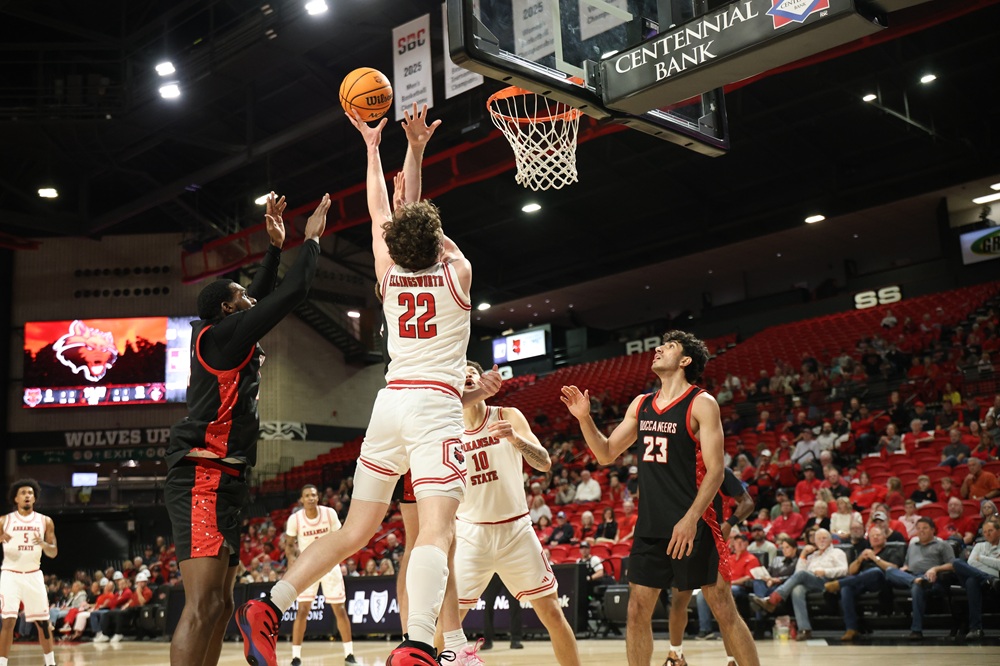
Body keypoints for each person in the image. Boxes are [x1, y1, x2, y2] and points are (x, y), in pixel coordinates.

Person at [237, 105, 479, 666]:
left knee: (354, 531)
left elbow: (385, 210)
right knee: (437, 533)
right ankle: (418, 646)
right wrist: (415, 152)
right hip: (435, 408)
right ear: (440, 241)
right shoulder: (458, 271)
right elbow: (415, 218)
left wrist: (374, 148)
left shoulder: (387, 271)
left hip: (389, 405)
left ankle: (268, 606)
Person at [165, 190, 327, 666]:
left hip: (227, 478)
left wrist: (275, 248)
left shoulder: (228, 330)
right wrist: (310, 241)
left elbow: (261, 289)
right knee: (199, 607)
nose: (251, 297)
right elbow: (291, 292)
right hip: (201, 475)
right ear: (230, 311)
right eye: (242, 297)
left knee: (219, 605)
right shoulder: (220, 338)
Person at [561, 331, 759, 666]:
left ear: (685, 361)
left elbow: (715, 471)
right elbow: (606, 453)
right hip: (651, 525)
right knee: (637, 610)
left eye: (668, 347)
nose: (658, 349)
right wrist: (585, 419)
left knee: (723, 608)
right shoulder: (641, 404)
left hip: (694, 523)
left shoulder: (702, 403)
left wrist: (691, 518)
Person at [451, 361, 580, 665]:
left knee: (551, 612)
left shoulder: (507, 415)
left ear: (484, 382)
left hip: (515, 531)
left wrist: (515, 439)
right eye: (461, 375)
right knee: (448, 620)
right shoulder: (448, 429)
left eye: (473, 373)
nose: (468, 377)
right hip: (471, 534)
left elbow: (545, 462)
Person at [666, 467, 755, 662]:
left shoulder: (720, 469)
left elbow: (748, 502)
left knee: (722, 607)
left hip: (712, 542)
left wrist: (730, 523)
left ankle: (732, 660)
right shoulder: (677, 467)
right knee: (679, 602)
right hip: (684, 540)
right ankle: (675, 655)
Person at [284, 485, 355, 665]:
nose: (310, 498)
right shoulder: (295, 519)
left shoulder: (329, 513)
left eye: (313, 495)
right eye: (307, 495)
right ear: (301, 499)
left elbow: (340, 537)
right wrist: (292, 561)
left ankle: (349, 654)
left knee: (339, 609)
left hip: (330, 564)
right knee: (302, 611)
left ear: (319, 497)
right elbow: (289, 544)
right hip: (307, 567)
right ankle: (296, 656)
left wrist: (340, 557)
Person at [0, 480, 58, 666]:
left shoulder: (45, 521)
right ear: (15, 498)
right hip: (11, 574)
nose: (27, 495)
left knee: (42, 622)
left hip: (33, 574)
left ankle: (50, 663)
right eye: (23, 492)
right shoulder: (4, 520)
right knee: (8, 621)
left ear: (34, 498)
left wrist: (42, 544)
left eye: (30, 493)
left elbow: (53, 552)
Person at [823, 524, 905, 641]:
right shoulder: (864, 552)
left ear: (885, 538)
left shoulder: (891, 551)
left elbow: (893, 568)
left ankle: (839, 584)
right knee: (847, 588)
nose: (875, 538)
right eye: (872, 536)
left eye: (878, 535)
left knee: (875, 571)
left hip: (882, 582)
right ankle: (851, 628)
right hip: (861, 582)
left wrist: (875, 558)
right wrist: (860, 559)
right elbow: (851, 571)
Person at [883, 517, 956, 640]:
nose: (921, 531)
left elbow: (953, 565)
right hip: (912, 576)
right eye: (918, 528)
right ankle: (914, 581)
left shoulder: (943, 545)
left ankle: (916, 630)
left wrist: (935, 569)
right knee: (890, 571)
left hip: (931, 579)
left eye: (925, 528)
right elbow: (907, 564)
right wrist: (904, 569)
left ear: (933, 530)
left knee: (918, 587)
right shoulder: (912, 546)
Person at [943, 516, 1000, 640]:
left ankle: (976, 629)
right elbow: (971, 563)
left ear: (999, 531)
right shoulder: (979, 545)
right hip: (991, 580)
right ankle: (988, 579)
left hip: (993, 581)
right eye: (984, 532)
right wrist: (990, 565)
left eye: (990, 531)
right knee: (957, 562)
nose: (987, 534)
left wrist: (982, 559)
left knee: (971, 581)